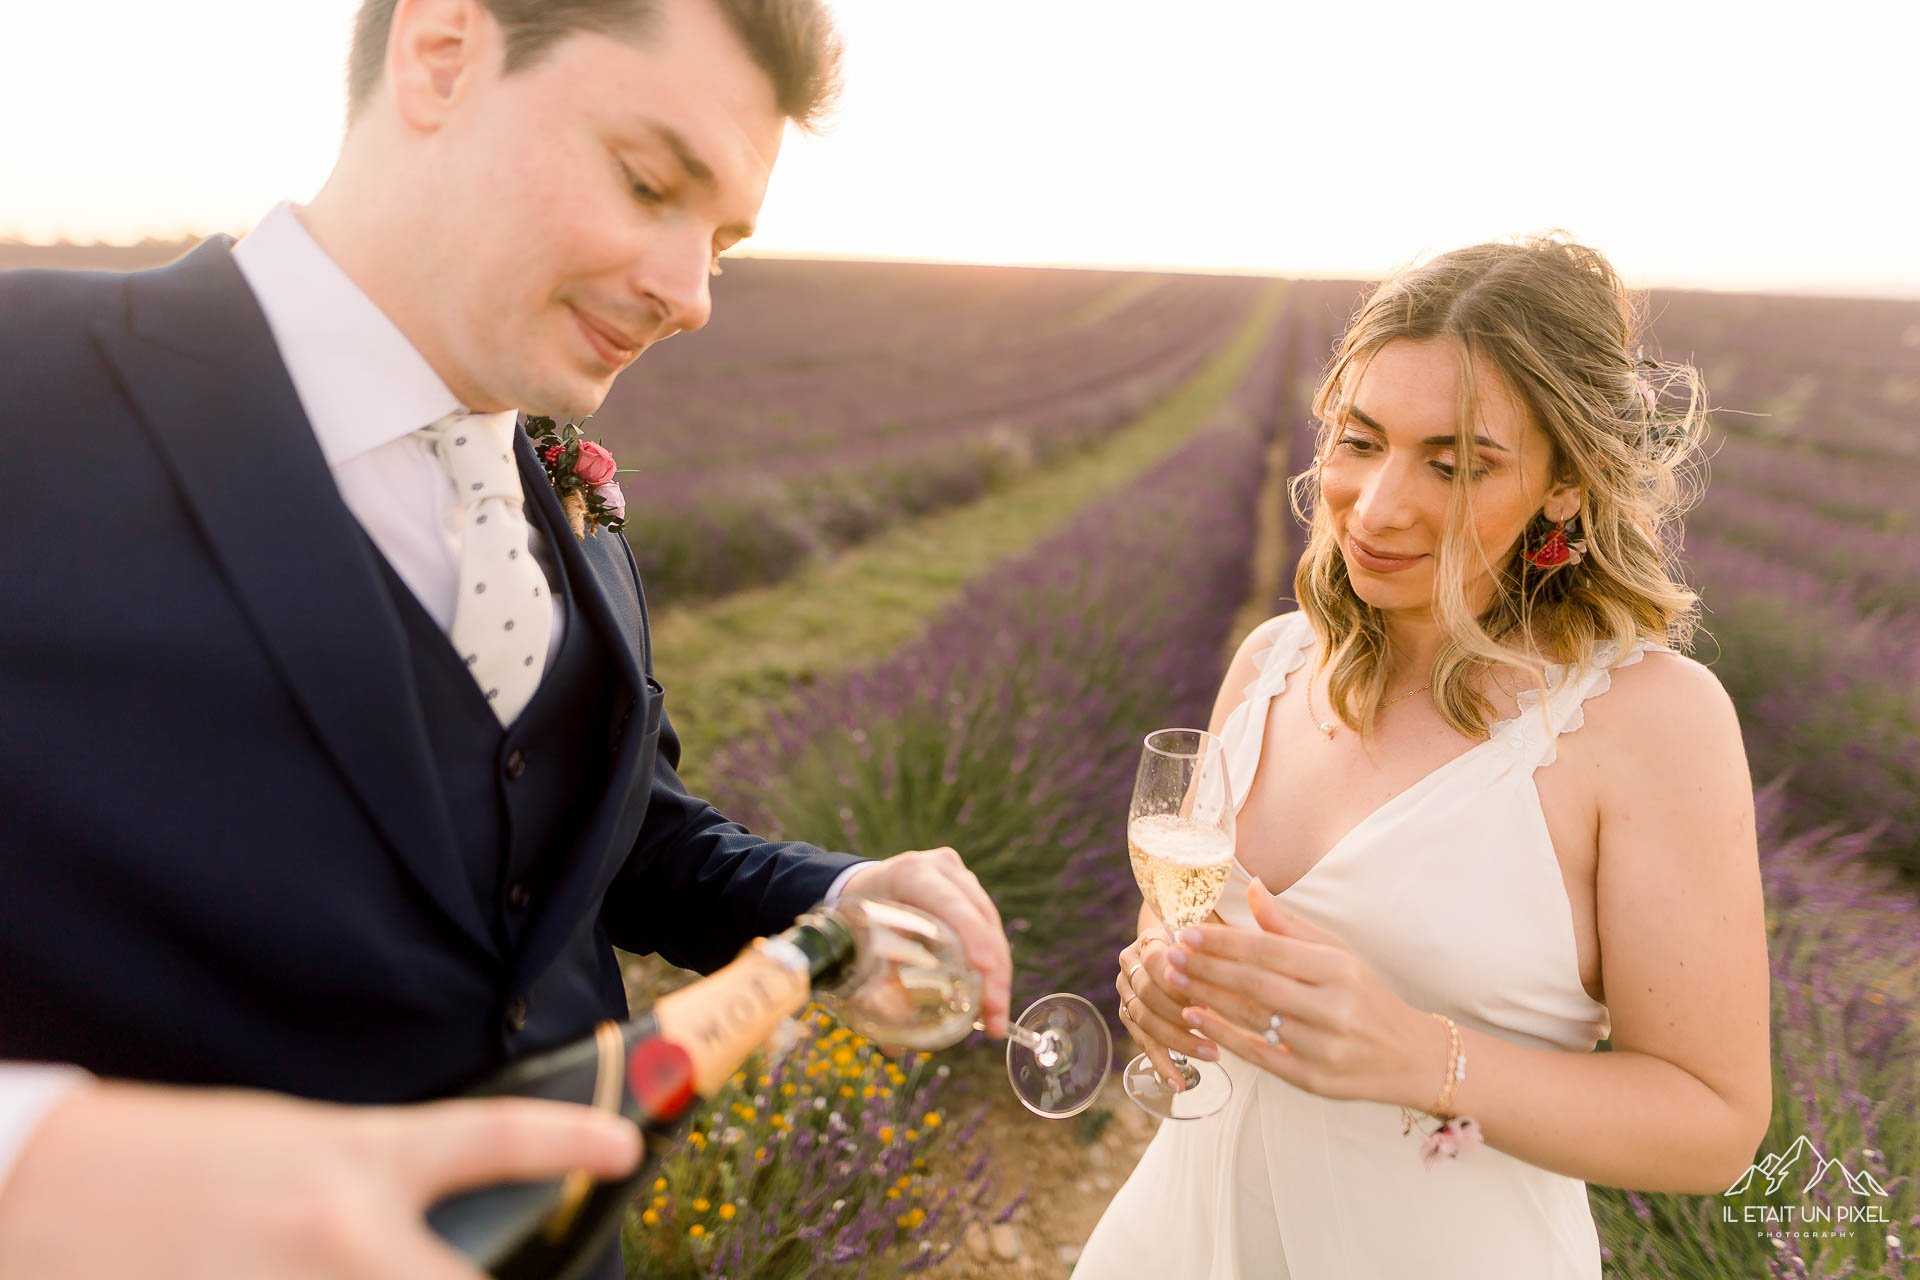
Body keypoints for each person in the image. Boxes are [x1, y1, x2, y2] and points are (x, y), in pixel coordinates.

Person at [0, 0, 1012, 1276]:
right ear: (439, 53)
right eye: (650, 181)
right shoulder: (25, 391)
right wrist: (37, 1167)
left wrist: (836, 898)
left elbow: (608, 829)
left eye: (725, 244)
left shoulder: (568, 504)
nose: (691, 295)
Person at [1075, 237, 1772, 1278]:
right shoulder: (1269, 663)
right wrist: (1159, 982)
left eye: (1455, 463)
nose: (1381, 502)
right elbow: (1181, 919)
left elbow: (1715, 1124)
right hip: (1174, 1242)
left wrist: (1421, 1056)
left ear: (1566, 486)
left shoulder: (1651, 722)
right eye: (1361, 440)